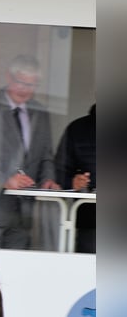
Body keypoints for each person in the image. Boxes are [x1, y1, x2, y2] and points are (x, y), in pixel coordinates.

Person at [0, 54, 60, 249]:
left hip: (23, 214)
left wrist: (48, 180)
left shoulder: (40, 113)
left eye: (31, 85)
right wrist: (5, 181)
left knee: (17, 275)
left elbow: (46, 156)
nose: (24, 90)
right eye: (20, 82)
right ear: (8, 77)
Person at [55, 103, 96, 253]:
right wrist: (72, 182)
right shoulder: (78, 129)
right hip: (91, 221)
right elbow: (59, 171)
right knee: (91, 273)